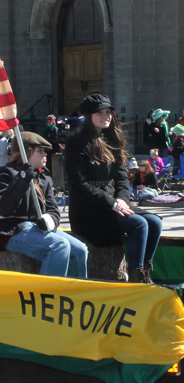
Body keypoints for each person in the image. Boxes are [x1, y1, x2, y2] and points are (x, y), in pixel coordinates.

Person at [64, 93, 162, 283]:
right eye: (100, 112)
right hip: (89, 209)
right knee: (139, 224)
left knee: (155, 222)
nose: (106, 116)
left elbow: (122, 178)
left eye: (108, 112)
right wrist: (112, 203)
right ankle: (136, 276)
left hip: (113, 203)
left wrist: (122, 200)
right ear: (89, 115)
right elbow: (79, 186)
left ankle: (145, 270)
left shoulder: (111, 140)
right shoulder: (76, 143)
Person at [0, 132, 88, 278]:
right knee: (59, 246)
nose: (45, 155)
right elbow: (4, 209)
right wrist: (22, 180)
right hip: (11, 230)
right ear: (26, 152)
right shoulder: (5, 174)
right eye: (40, 151)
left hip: (37, 228)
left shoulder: (44, 178)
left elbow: (53, 211)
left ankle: (76, 294)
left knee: (80, 250)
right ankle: (48, 296)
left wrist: (49, 221)